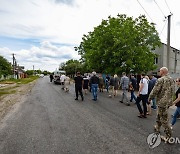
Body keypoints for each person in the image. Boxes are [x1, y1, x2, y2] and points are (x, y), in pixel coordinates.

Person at [148, 67, 175, 141]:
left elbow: (155, 91)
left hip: (162, 102)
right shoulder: (172, 79)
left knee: (164, 119)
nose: (159, 72)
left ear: (162, 72)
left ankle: (168, 136)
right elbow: (173, 91)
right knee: (159, 115)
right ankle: (157, 127)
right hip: (168, 101)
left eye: (160, 71)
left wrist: (149, 98)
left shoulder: (161, 80)